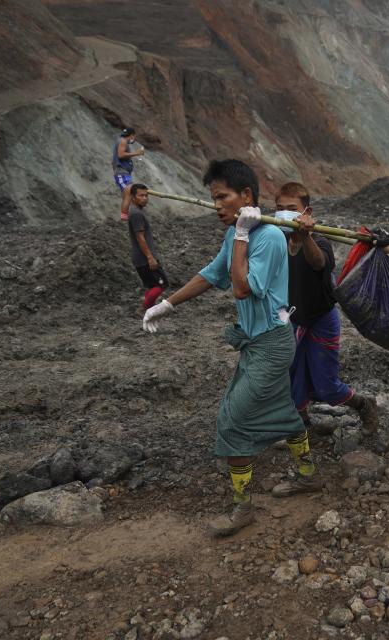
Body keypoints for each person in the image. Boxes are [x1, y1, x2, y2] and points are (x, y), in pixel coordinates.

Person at [141, 159, 318, 537]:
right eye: (213, 198)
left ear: (247, 197)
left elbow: (241, 287)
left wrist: (241, 234)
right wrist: (168, 305)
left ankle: (242, 508)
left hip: (272, 343)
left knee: (232, 419)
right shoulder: (237, 235)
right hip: (256, 344)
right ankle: (306, 474)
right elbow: (213, 273)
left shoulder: (268, 237)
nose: (216, 206)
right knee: (281, 409)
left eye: (222, 197)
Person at [274, 182, 379, 437]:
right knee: (291, 375)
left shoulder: (319, 240)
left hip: (321, 317)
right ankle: (301, 425)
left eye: (292, 209)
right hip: (292, 317)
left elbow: (318, 262)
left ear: (306, 212)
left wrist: (306, 235)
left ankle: (364, 405)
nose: (284, 214)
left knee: (326, 384)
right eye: (279, 209)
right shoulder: (276, 239)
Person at [126, 183, 168, 315]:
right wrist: (150, 257)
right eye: (141, 195)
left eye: (146, 195)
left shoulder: (134, 212)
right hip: (144, 258)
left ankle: (148, 307)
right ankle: (145, 309)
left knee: (152, 285)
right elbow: (140, 237)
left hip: (140, 258)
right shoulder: (136, 214)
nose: (145, 198)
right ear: (133, 197)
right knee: (162, 284)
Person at [113, 127, 145, 222]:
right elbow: (121, 155)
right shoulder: (123, 141)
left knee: (127, 195)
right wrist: (137, 153)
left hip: (123, 173)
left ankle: (128, 217)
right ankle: (124, 218)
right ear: (131, 135)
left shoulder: (122, 141)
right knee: (130, 193)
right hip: (122, 173)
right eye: (133, 136)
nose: (133, 139)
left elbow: (113, 161)